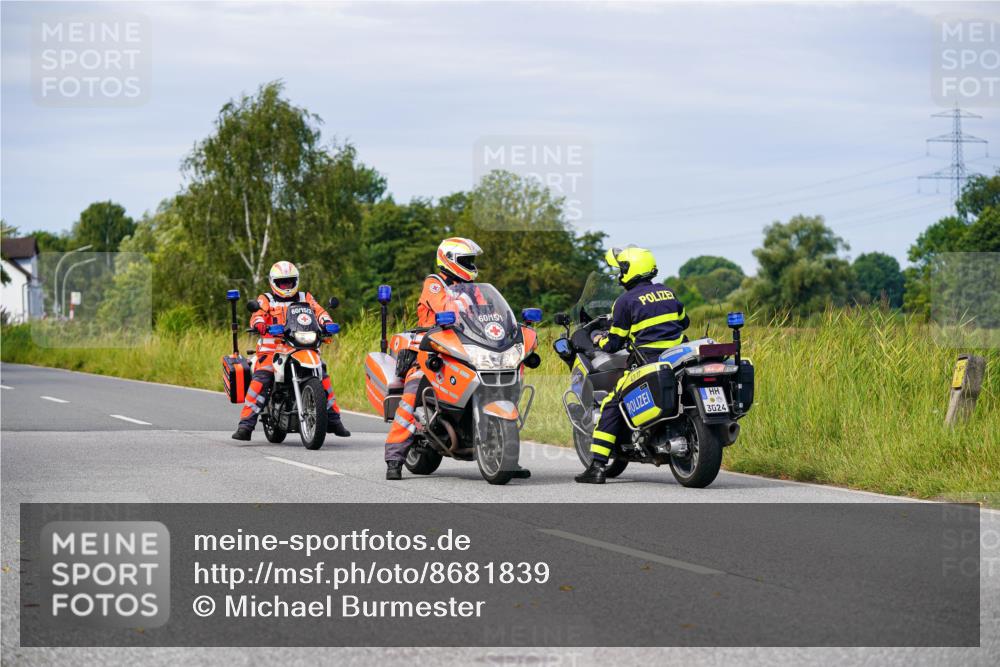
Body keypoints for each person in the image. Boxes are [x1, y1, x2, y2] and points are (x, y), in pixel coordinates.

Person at [383, 238, 530, 481]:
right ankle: (395, 458)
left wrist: (507, 325)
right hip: (432, 351)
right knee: (412, 395)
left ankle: (506, 456)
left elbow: (488, 313)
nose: (471, 265)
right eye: (466, 261)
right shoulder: (434, 283)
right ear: (449, 260)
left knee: (500, 387)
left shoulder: (475, 290)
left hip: (464, 347)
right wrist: (464, 302)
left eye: (471, 261)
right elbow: (446, 309)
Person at [575, 245, 689, 484]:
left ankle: (596, 467)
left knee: (612, 403)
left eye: (621, 269)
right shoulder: (669, 292)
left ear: (629, 270)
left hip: (649, 361)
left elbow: (615, 342)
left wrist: (597, 339)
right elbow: (684, 321)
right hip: (678, 358)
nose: (619, 275)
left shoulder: (625, 301)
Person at [231, 261, 351, 441]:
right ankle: (246, 424)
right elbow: (257, 315)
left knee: (322, 373)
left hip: (300, 345)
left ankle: (333, 419)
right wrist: (259, 324)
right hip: (272, 350)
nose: (286, 286)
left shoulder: (305, 297)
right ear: (274, 283)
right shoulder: (266, 299)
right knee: (263, 376)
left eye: (290, 281)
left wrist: (327, 322)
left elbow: (319, 311)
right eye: (282, 282)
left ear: (296, 281)